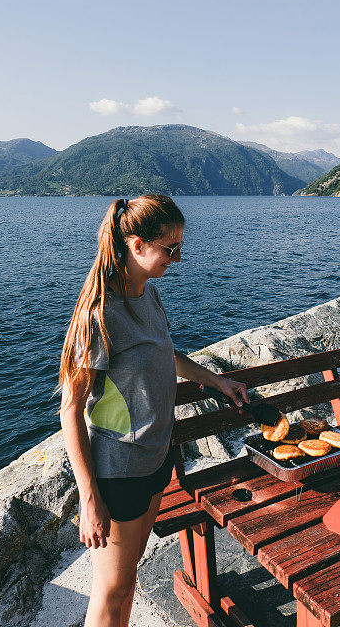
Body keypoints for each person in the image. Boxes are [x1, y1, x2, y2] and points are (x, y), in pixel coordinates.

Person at [55, 195, 248, 627]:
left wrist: (217, 380)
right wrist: (89, 497)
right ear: (137, 245)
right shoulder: (99, 314)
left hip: (156, 460)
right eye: (170, 248)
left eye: (180, 246)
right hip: (118, 472)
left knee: (128, 581)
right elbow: (70, 408)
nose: (178, 258)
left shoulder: (148, 294)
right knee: (110, 589)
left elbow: (167, 353)